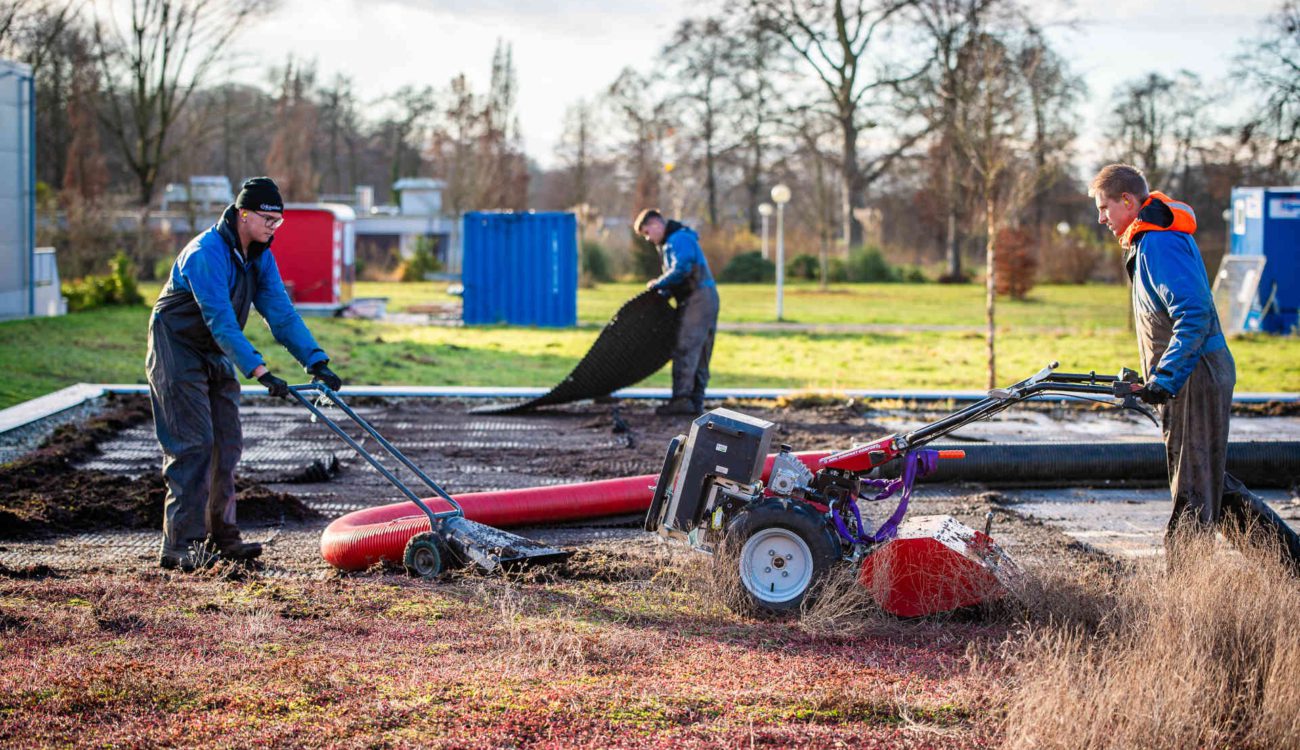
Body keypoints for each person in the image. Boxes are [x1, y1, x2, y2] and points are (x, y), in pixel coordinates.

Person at [1089, 163, 1300, 570]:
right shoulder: (1147, 241)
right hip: (1191, 374)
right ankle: (1291, 563)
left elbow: (1195, 314)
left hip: (1195, 376)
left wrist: (1166, 378)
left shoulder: (1158, 244)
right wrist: (1152, 379)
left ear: (1128, 202)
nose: (1101, 218)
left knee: (1193, 490)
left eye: (1104, 208)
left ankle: (1185, 591)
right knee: (1212, 486)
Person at [147, 176, 343, 571]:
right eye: (268, 218)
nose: (274, 226)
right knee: (193, 445)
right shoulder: (206, 252)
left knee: (227, 443)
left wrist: (316, 361)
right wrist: (259, 369)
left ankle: (223, 537)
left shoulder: (260, 257)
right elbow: (220, 318)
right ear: (244, 214)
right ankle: (180, 545)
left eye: (279, 220)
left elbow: (281, 314)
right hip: (178, 346)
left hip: (215, 349)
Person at [634, 209, 720, 417]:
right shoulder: (681, 237)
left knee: (686, 347)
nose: (648, 239)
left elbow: (682, 267)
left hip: (697, 299)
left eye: (647, 233)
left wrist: (658, 284)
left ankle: (682, 400)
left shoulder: (677, 239)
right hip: (706, 297)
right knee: (701, 351)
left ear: (656, 224)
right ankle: (695, 401)